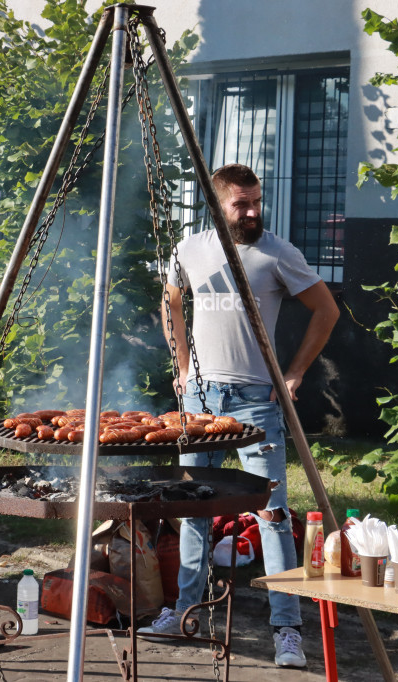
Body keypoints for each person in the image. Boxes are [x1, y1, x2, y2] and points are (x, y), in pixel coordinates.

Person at [138, 164, 339, 668]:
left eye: (256, 203)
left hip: (256, 398)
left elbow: (327, 310)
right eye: (240, 204)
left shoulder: (276, 252)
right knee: (191, 508)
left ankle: (286, 630)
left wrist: (293, 375)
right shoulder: (190, 249)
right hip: (201, 400)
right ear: (218, 204)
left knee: (270, 515)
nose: (251, 212)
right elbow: (172, 302)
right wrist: (182, 368)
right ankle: (185, 612)